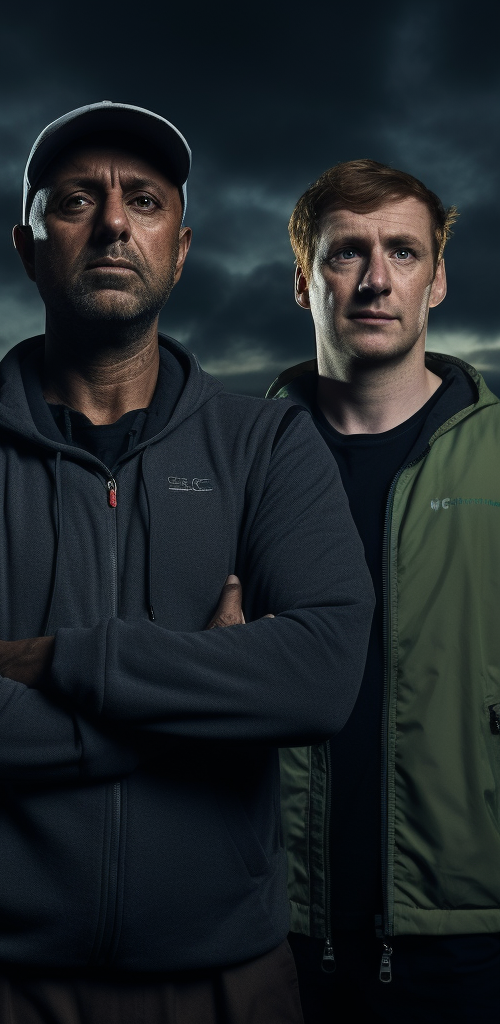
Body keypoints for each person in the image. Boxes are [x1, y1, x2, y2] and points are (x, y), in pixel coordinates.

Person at [0, 100, 374, 1024]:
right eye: (74, 201)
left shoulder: (267, 446)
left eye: (143, 200)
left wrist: (58, 660)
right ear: (26, 248)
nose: (110, 222)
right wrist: (205, 703)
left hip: (225, 980)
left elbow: (320, 678)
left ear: (180, 249)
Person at [269, 159, 500, 1023]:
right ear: (304, 280)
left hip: (467, 933)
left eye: (402, 253)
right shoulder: (238, 465)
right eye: (345, 254)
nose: (375, 280)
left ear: (436, 278)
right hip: (275, 926)